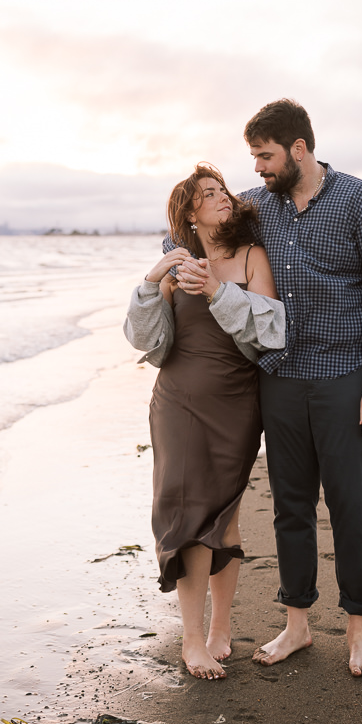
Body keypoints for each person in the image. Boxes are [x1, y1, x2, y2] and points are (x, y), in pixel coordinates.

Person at [170, 100, 362, 677]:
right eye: (254, 156)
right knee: (290, 509)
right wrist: (169, 260)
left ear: (297, 149)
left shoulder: (361, 203)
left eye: (264, 156)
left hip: (346, 377)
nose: (255, 167)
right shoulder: (262, 210)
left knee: (352, 509)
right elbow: (195, 232)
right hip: (278, 379)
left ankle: (359, 631)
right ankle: (297, 625)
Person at [125, 164, 285, 680]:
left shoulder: (250, 257)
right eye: (209, 194)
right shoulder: (175, 267)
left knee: (225, 517)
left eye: (223, 191)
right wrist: (152, 281)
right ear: (190, 213)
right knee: (186, 519)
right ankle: (191, 640)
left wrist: (218, 288)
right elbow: (146, 341)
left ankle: (221, 627)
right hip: (176, 404)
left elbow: (270, 329)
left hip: (237, 403)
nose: (223, 199)